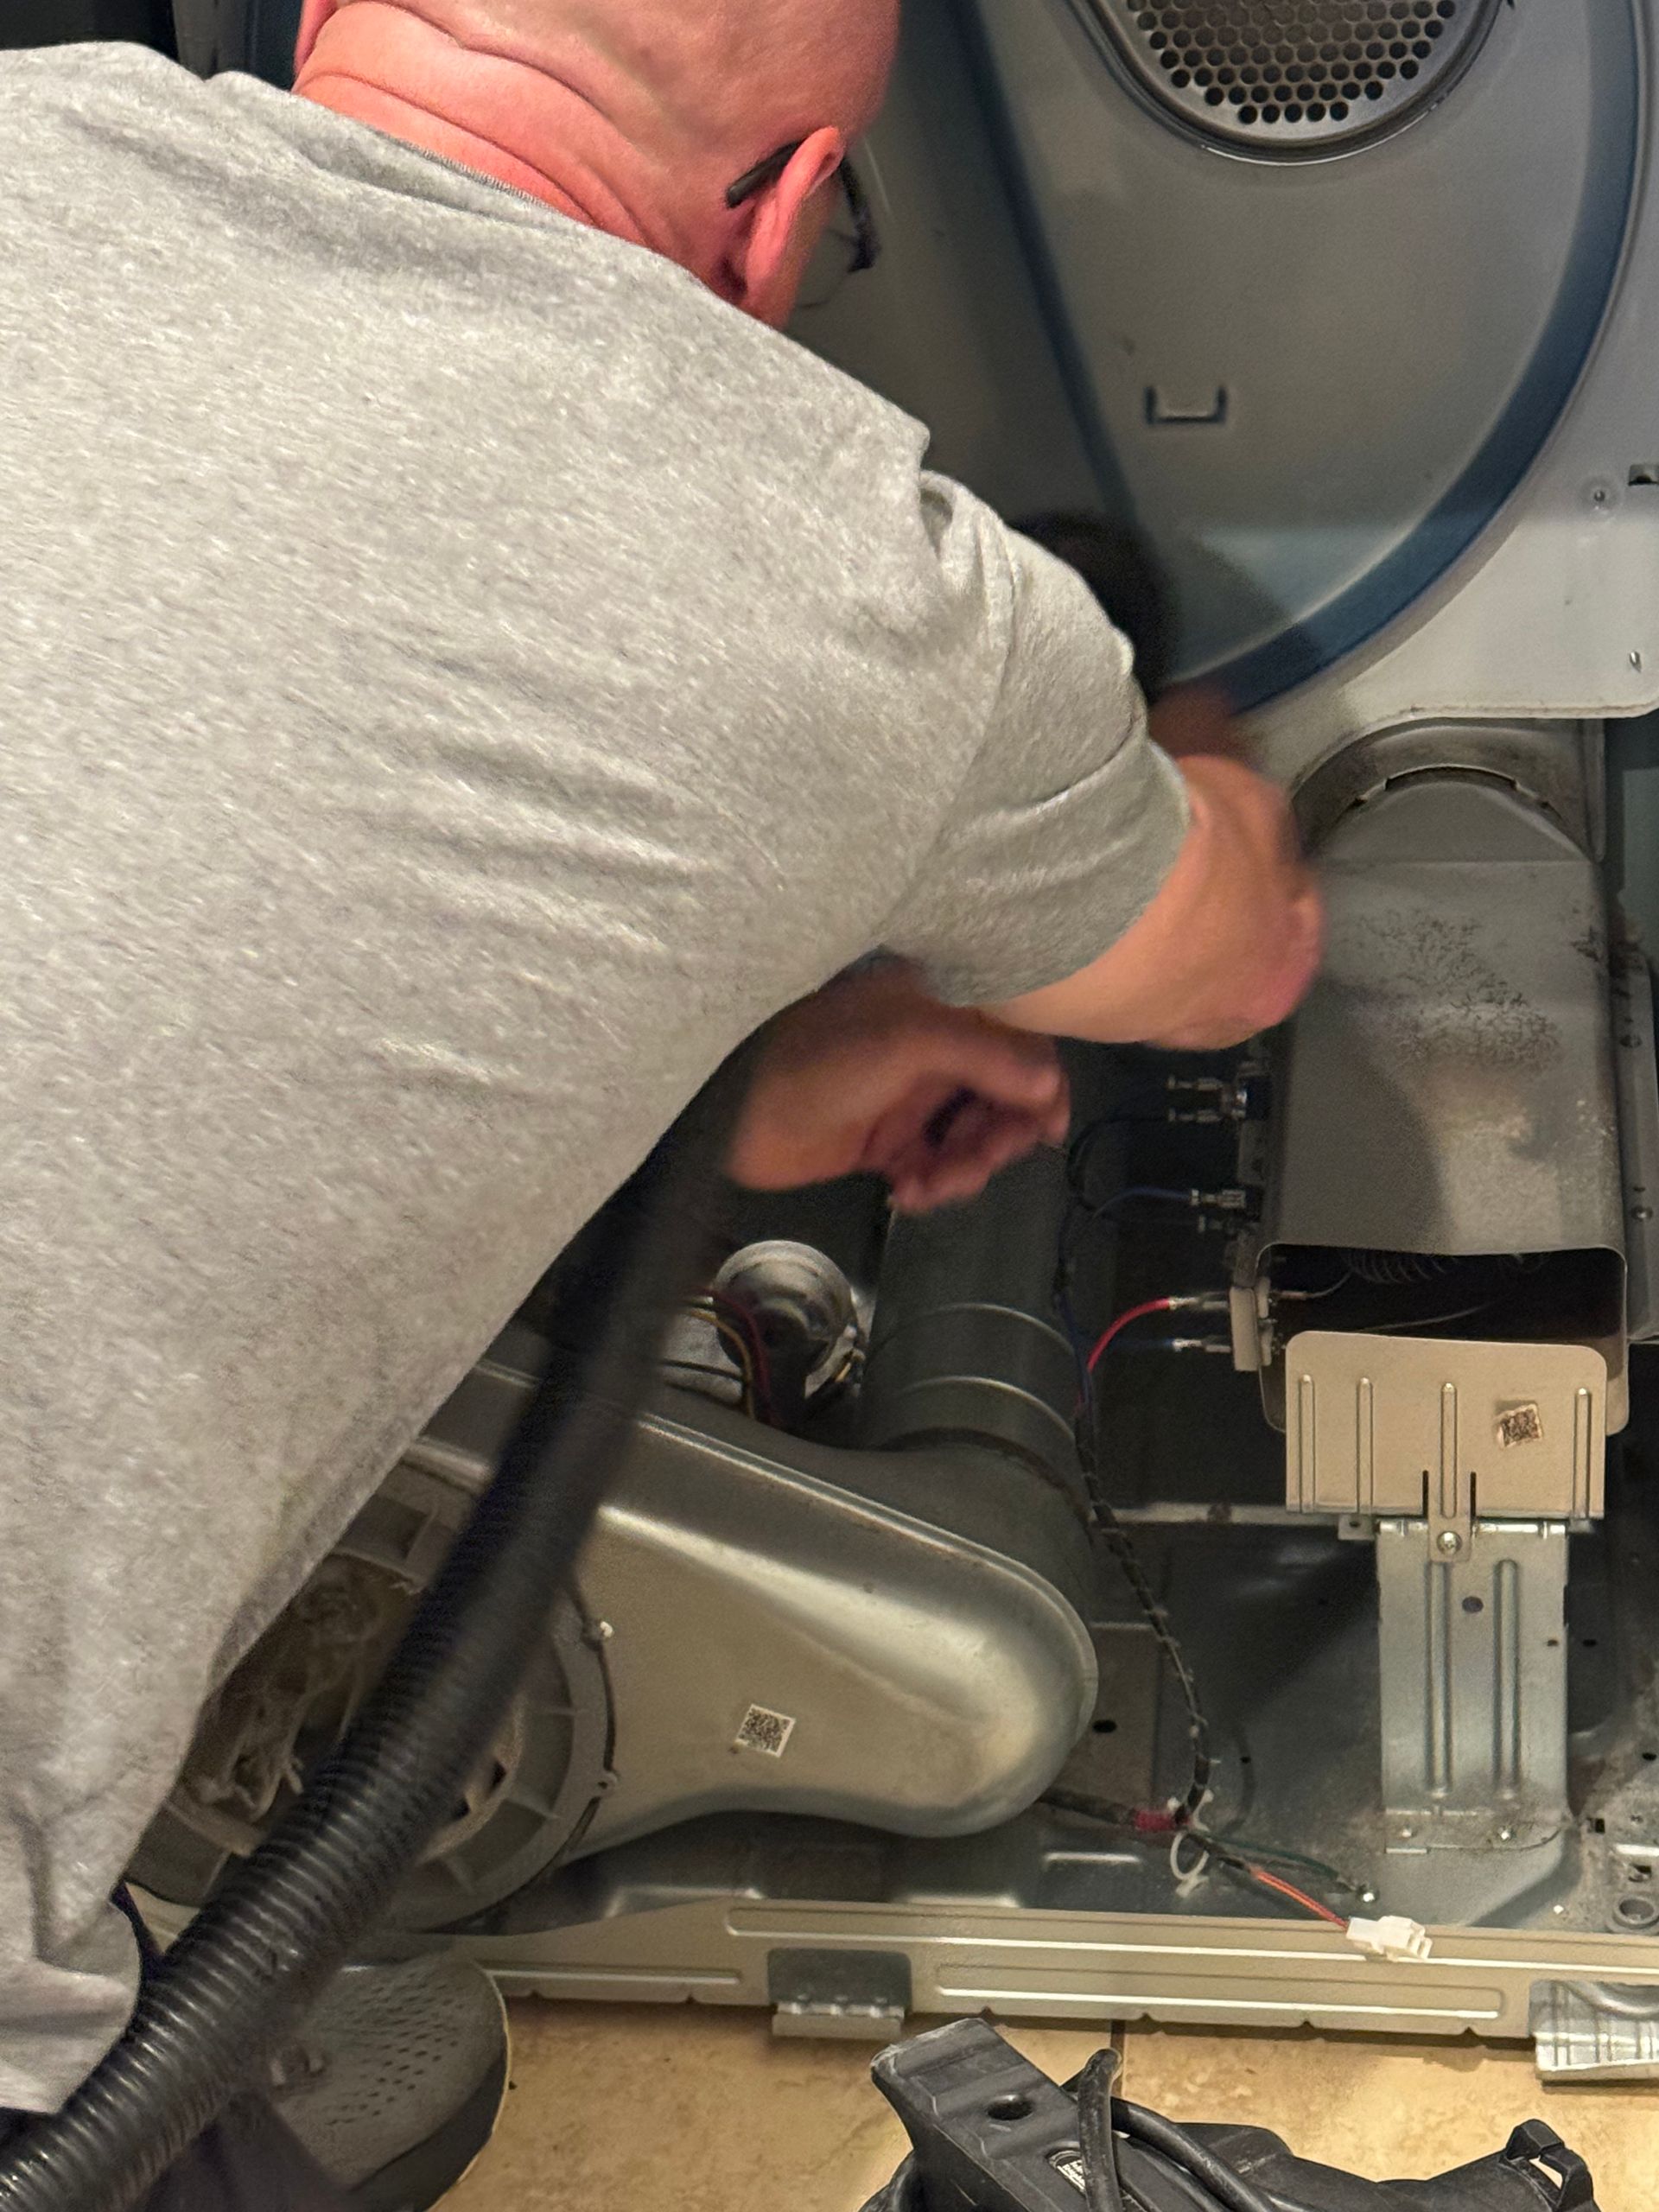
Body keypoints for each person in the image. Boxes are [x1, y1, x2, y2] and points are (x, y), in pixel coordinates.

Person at [0, 0, 1321, 2198]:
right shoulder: (855, 578)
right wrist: (1156, 702)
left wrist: (696, 1098)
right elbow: (1237, 944)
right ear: (797, 205)